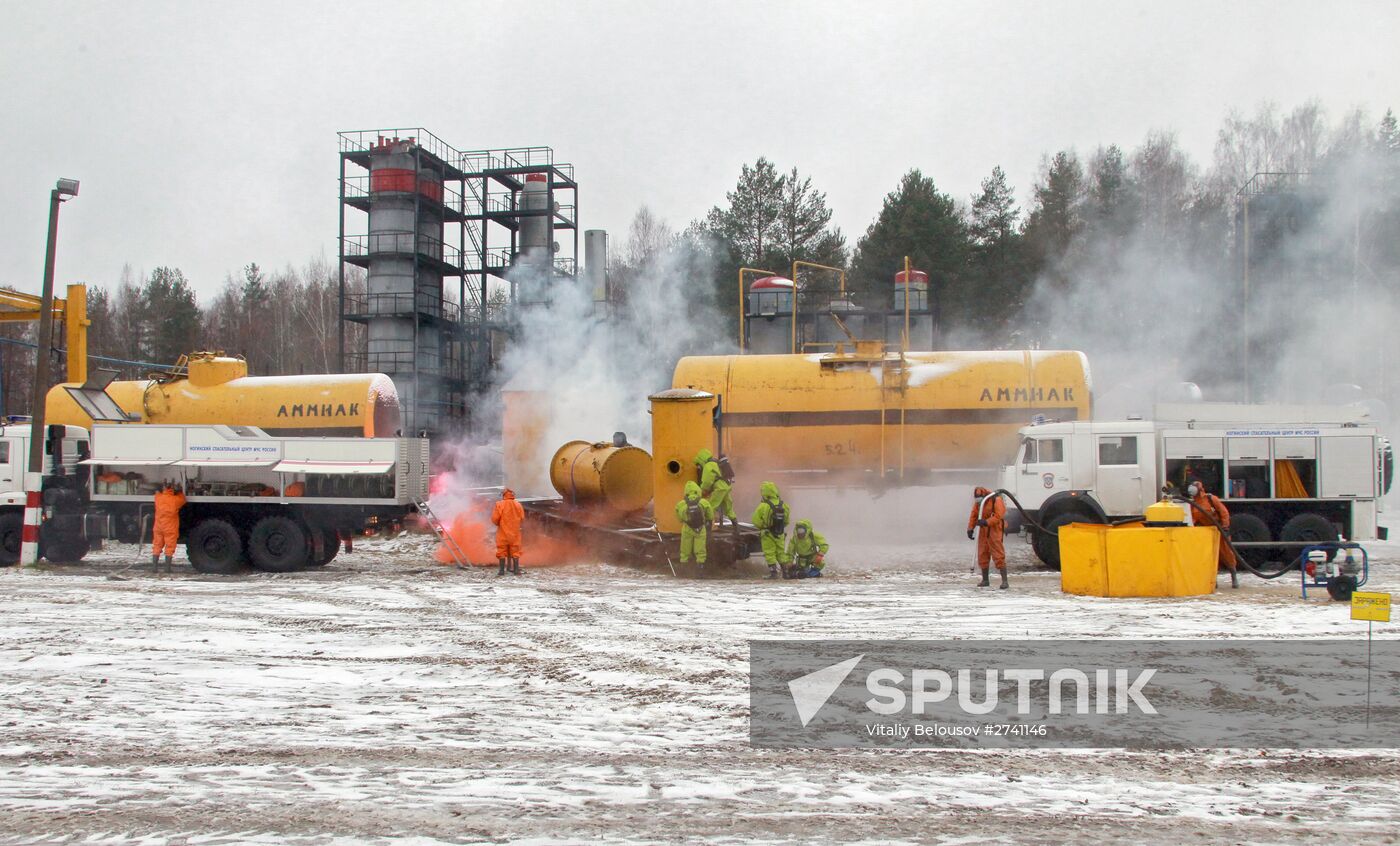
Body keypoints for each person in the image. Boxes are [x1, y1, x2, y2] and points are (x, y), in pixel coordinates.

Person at [1187, 479, 1238, 588]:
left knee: (1226, 553)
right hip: (1207, 532)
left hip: (1219, 530)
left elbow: (1224, 512)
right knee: (1210, 556)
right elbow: (1194, 518)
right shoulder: (1193, 504)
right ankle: (1214, 581)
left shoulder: (1210, 499)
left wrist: (1225, 526)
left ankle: (1233, 576)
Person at [967, 486, 1008, 589]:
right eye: (976, 498)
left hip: (994, 529)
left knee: (998, 554)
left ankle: (1005, 581)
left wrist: (986, 522)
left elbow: (999, 516)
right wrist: (970, 528)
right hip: (983, 530)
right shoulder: (978, 504)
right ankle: (985, 580)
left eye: (979, 497)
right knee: (983, 554)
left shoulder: (996, 500)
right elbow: (974, 515)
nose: (977, 500)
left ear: (984, 495)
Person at [751, 480, 791, 579]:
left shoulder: (763, 506)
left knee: (769, 553)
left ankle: (773, 573)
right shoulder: (783, 504)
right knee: (781, 552)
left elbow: (755, 520)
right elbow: (787, 521)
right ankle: (786, 572)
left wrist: (762, 526)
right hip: (780, 532)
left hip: (767, 533)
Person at [694, 448, 738, 534]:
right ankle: (736, 528)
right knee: (729, 507)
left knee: (710, 507)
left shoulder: (708, 465)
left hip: (719, 489)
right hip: (726, 487)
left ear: (701, 459)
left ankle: (708, 530)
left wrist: (703, 490)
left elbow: (707, 481)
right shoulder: (716, 462)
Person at [675, 481, 715, 569]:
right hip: (700, 528)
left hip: (687, 528)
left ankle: (684, 566)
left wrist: (682, 520)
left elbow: (678, 515)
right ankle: (700, 567)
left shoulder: (681, 503)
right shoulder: (703, 502)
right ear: (698, 490)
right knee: (700, 548)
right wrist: (708, 521)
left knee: (685, 547)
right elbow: (710, 515)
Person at [151, 481, 186, 572]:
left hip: (158, 527)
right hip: (170, 528)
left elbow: (156, 493)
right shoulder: (175, 500)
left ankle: (154, 568)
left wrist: (159, 489)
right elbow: (183, 499)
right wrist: (179, 491)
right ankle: (167, 568)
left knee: (157, 545)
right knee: (170, 547)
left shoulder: (159, 498)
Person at [491, 488, 525, 576]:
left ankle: (501, 571)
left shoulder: (499, 504)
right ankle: (516, 570)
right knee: (515, 551)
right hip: (515, 533)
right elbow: (522, 518)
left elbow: (495, 519)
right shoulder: (518, 505)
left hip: (503, 532)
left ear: (503, 495)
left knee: (502, 550)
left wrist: (500, 524)